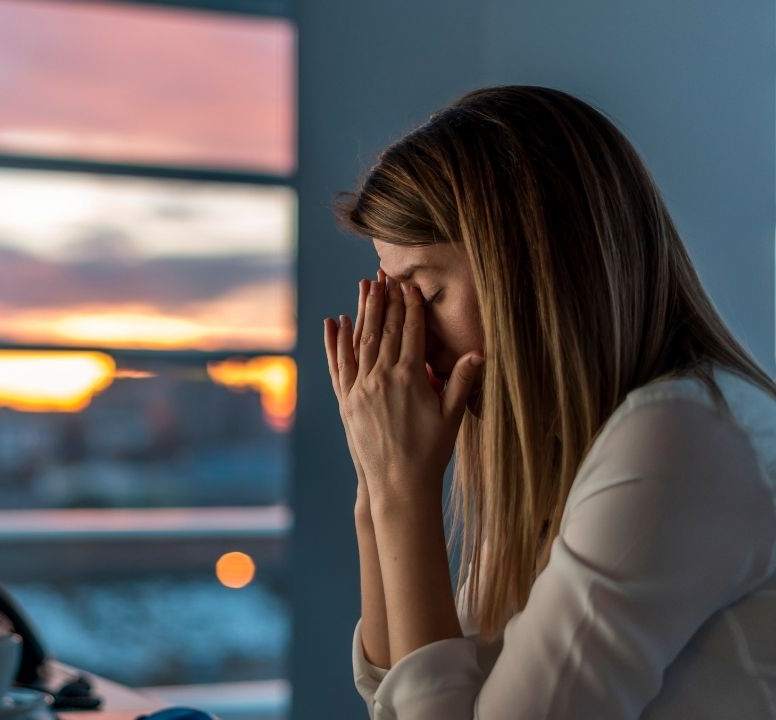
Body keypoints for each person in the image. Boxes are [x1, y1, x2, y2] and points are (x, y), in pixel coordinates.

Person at [322, 86, 776, 718]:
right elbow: (399, 696)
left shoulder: (678, 440)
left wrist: (405, 496)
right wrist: (378, 487)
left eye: (424, 294)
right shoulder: (577, 451)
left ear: (532, 271)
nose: (408, 341)